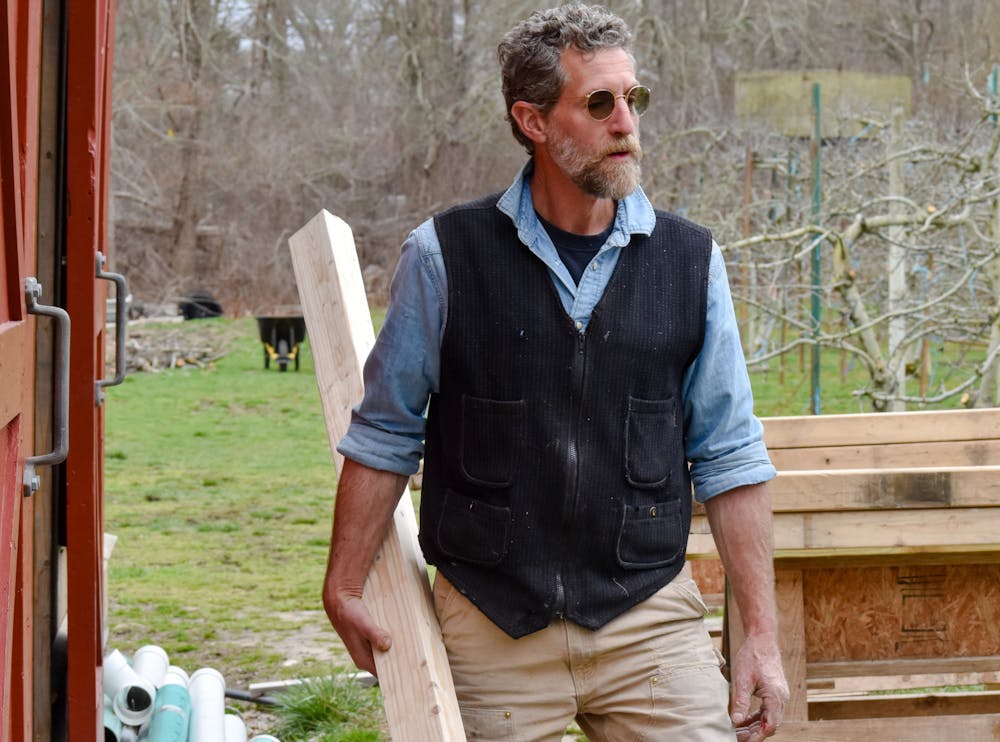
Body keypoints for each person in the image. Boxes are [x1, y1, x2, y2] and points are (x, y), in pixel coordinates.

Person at [322, 4, 789, 740]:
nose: (625, 123)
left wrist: (759, 634)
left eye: (633, 99)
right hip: (492, 619)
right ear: (533, 121)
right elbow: (385, 431)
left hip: (647, 619)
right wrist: (344, 583)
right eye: (598, 103)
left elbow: (730, 454)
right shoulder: (445, 256)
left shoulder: (690, 262)